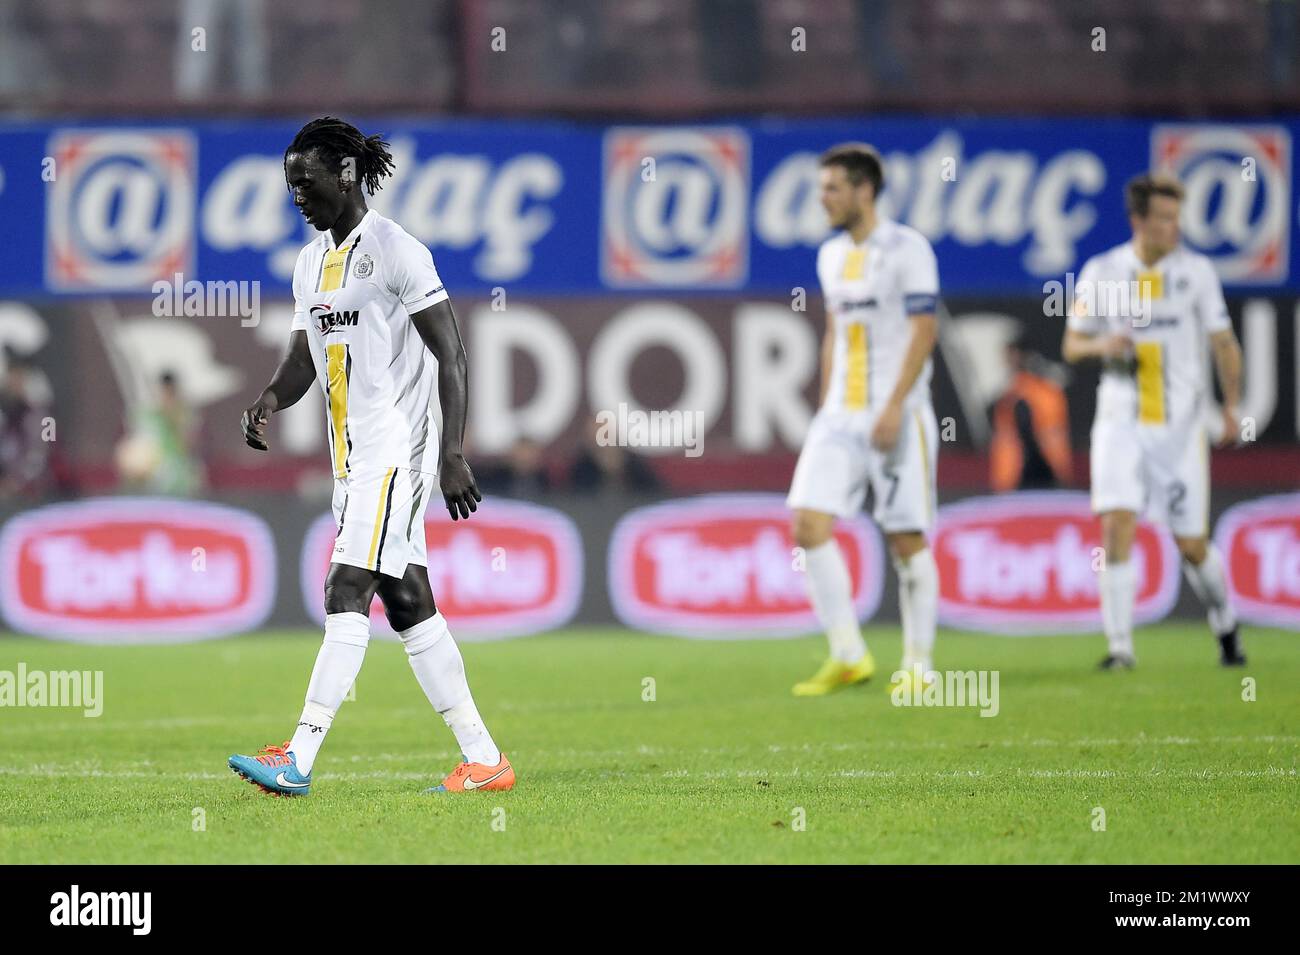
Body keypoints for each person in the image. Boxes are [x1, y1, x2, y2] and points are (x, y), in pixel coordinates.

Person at [228, 117, 513, 796]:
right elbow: (303, 358)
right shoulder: (309, 263)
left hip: (396, 453)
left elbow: (453, 353)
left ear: (346, 172)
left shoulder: (395, 250)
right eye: (289, 183)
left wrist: (452, 451)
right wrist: (270, 398)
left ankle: (297, 755)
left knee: (342, 588)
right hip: (351, 461)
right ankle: (485, 757)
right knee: (409, 600)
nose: (296, 194)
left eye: (306, 180)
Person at [1062, 173, 1246, 670]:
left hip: (1180, 430)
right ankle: (1121, 648)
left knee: (1191, 545)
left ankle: (1225, 623)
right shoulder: (1102, 272)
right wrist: (1104, 344)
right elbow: (1072, 343)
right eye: (1164, 218)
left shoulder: (1197, 273)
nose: (1174, 227)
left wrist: (1232, 406)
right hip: (1120, 421)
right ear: (1138, 220)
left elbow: (1224, 343)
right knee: (1116, 523)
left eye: (1176, 218)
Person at [786, 143, 941, 697]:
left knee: (904, 537)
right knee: (808, 524)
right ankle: (849, 654)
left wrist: (896, 403)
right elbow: (835, 331)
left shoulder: (908, 249)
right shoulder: (830, 255)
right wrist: (827, 403)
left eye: (832, 187)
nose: (822, 198)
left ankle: (919, 666)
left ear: (864, 190)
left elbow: (924, 330)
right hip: (841, 415)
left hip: (897, 411)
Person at [989, 332, 1073, 491]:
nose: (1005, 361)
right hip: (1022, 474)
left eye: (1009, 355)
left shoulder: (1030, 392)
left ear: (1020, 355)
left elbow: (1035, 432)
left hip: (1041, 474)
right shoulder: (1016, 391)